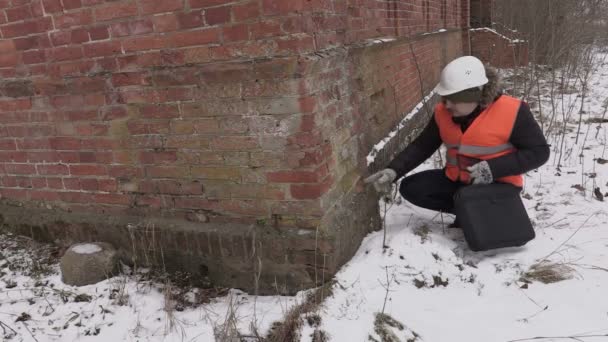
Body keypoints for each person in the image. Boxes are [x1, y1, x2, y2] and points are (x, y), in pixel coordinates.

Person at [364, 56, 550, 226]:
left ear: (476, 95)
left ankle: (490, 211)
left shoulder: (513, 111)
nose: (447, 105)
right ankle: (468, 210)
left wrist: (493, 168)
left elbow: (539, 152)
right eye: (445, 98)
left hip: (497, 185)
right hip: (457, 182)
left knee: (472, 204)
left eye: (454, 99)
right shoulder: (442, 113)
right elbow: (422, 146)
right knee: (412, 187)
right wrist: (393, 170)